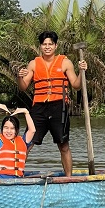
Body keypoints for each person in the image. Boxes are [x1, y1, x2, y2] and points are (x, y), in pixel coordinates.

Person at [17, 31, 87, 177]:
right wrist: (19, 77)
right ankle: (16, 174)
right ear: (40, 46)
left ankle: (68, 178)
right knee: (27, 143)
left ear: (55, 46)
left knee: (63, 145)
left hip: (58, 107)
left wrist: (82, 72)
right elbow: (23, 87)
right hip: (39, 107)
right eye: (44, 44)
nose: (47, 47)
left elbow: (76, 85)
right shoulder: (34, 64)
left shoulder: (65, 62)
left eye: (50, 44)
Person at [0, 103, 36, 178]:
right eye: (6, 128)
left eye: (12, 128)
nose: (8, 131)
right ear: (2, 128)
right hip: (2, 179)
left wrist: (26, 112)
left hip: (19, 180)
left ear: (16, 130)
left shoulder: (23, 141)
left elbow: (32, 130)